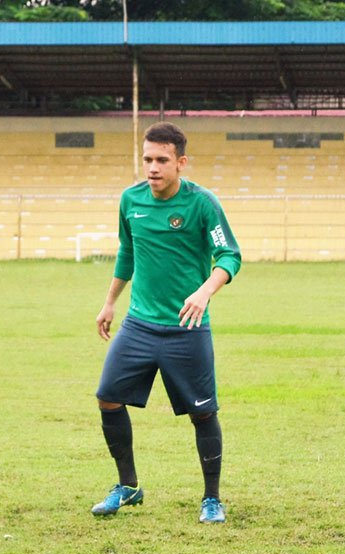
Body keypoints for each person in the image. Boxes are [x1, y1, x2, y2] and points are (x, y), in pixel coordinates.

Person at [93, 122, 241, 524]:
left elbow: (229, 256)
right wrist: (110, 303)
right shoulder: (130, 200)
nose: (153, 167)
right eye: (147, 159)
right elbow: (128, 253)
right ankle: (128, 486)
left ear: (181, 162)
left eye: (162, 160)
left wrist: (204, 290)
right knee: (108, 397)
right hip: (139, 325)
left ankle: (212, 498)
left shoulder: (202, 204)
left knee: (202, 412)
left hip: (187, 328)